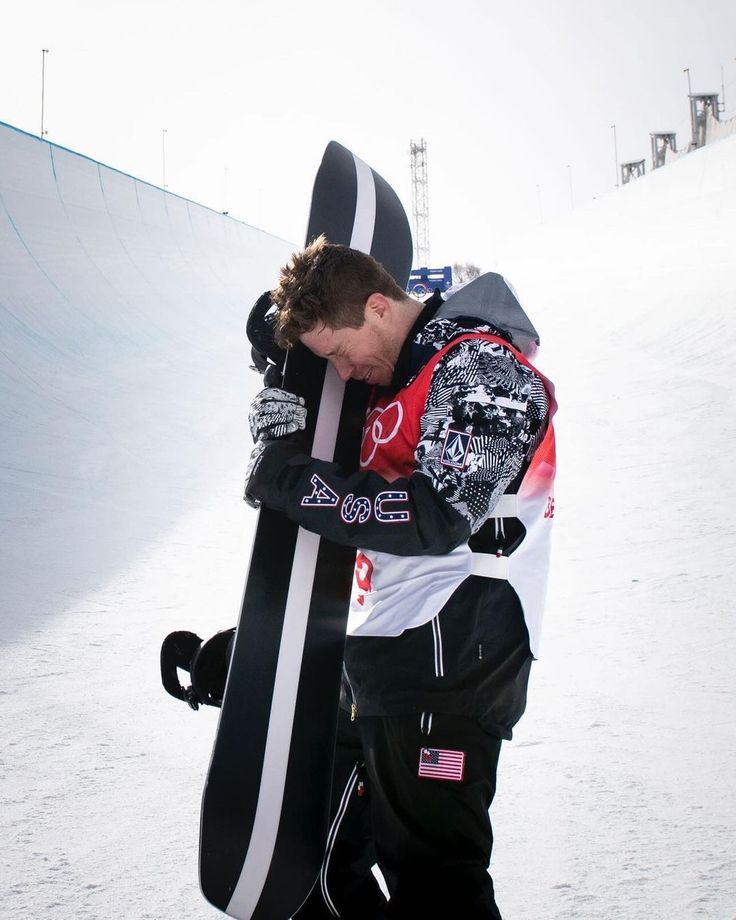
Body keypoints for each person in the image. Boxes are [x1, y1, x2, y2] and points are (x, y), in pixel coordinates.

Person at [244, 236, 556, 919]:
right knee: (318, 864)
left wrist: (292, 481)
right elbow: (347, 501)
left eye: (336, 354)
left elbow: (433, 516)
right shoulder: (393, 388)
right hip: (382, 658)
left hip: (456, 658)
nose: (342, 371)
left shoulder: (483, 368)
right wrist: (283, 394)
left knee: (434, 881)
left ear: (379, 306)